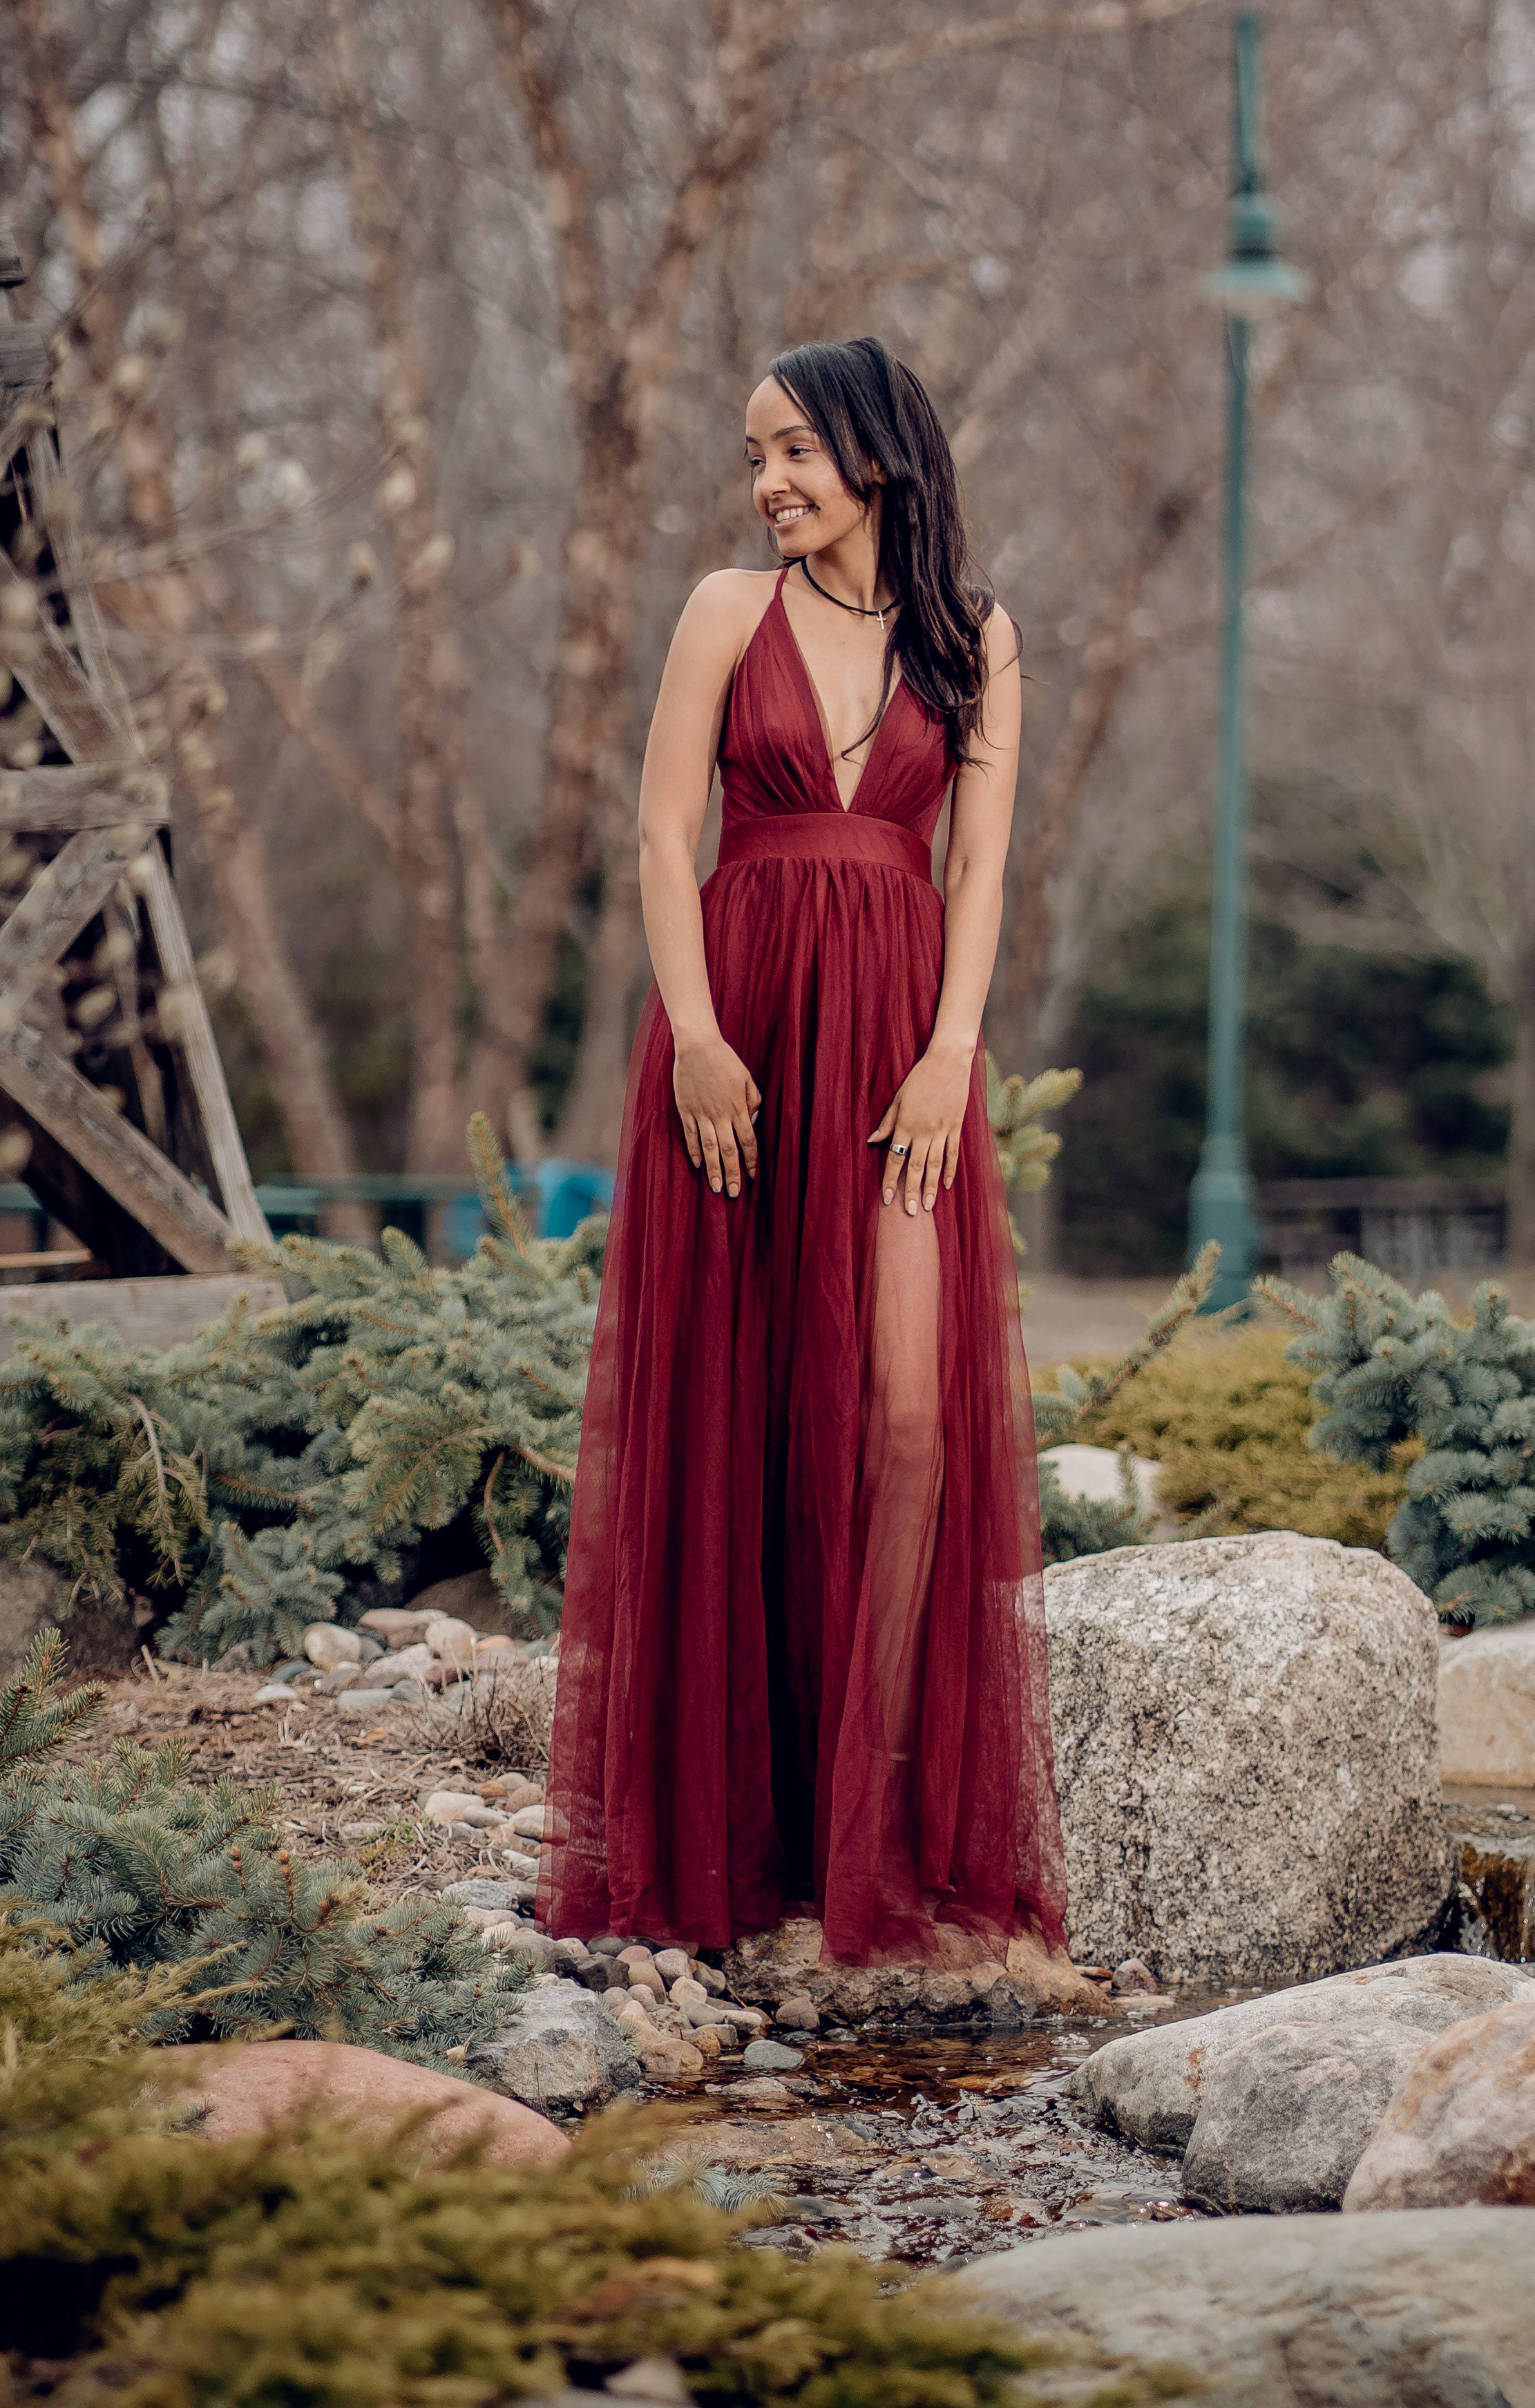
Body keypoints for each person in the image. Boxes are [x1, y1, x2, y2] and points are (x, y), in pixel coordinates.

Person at [542, 336, 1066, 1969]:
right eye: (753, 455)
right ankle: (737, 1852)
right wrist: (695, 1038)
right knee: (738, 1406)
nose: (768, 481)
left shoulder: (975, 639)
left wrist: (950, 1057)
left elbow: (977, 871)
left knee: (905, 1416)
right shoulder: (722, 611)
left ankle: (876, 1830)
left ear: (876, 459)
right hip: (741, 1025)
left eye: (792, 453)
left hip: (903, 1045)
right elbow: (657, 833)